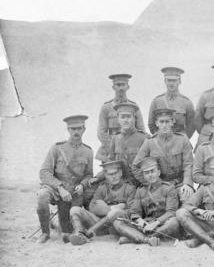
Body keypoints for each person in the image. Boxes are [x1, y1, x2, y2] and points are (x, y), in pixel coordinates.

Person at [35, 115, 93, 243]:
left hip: (73, 193)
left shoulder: (88, 151)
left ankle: (53, 222)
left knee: (66, 233)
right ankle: (45, 233)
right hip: (56, 190)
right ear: (68, 130)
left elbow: (89, 174)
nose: (76, 132)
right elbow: (44, 172)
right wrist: (60, 188)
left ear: (84, 129)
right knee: (42, 196)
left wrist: (82, 185)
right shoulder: (57, 148)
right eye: (73, 129)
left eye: (79, 128)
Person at [113, 157, 180, 245]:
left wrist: (156, 223)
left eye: (152, 171)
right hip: (145, 226)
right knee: (117, 222)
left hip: (162, 225)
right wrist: (140, 221)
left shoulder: (169, 188)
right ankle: (148, 240)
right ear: (144, 176)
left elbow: (171, 212)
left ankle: (136, 238)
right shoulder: (141, 190)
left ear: (158, 172)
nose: (150, 175)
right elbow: (135, 212)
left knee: (174, 222)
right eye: (146, 173)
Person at [132, 108, 194, 202]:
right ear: (157, 123)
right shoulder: (149, 142)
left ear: (172, 122)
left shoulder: (182, 139)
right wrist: (150, 182)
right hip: (160, 186)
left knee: (187, 196)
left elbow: (188, 164)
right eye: (161, 122)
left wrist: (187, 183)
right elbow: (135, 166)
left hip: (179, 184)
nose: (164, 125)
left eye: (167, 121)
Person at [68, 160, 135, 245]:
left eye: (116, 173)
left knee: (116, 212)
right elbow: (92, 207)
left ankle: (88, 234)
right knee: (75, 209)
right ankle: (79, 233)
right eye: (110, 174)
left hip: (118, 225)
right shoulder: (102, 188)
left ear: (121, 173)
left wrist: (115, 212)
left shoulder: (130, 188)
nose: (114, 176)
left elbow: (133, 210)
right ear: (105, 175)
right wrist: (112, 208)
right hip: (101, 226)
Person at [97, 74, 145, 161]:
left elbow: (141, 129)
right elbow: (101, 133)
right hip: (111, 150)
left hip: (131, 149)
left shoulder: (134, 106)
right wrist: (114, 146)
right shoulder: (106, 107)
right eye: (118, 85)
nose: (121, 88)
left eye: (123, 85)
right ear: (113, 87)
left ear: (128, 87)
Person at [99, 102, 148, 186]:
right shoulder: (115, 138)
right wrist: (97, 177)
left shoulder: (144, 138)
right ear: (118, 119)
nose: (125, 120)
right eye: (122, 117)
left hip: (141, 184)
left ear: (134, 118)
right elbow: (111, 163)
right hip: (123, 185)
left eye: (128, 116)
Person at [148, 67, 196, 138]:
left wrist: (183, 140)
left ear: (179, 81)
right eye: (169, 80)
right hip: (161, 140)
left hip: (180, 141)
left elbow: (191, 125)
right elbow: (151, 124)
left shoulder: (187, 103)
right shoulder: (157, 101)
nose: (171, 83)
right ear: (165, 81)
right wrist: (159, 138)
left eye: (174, 81)